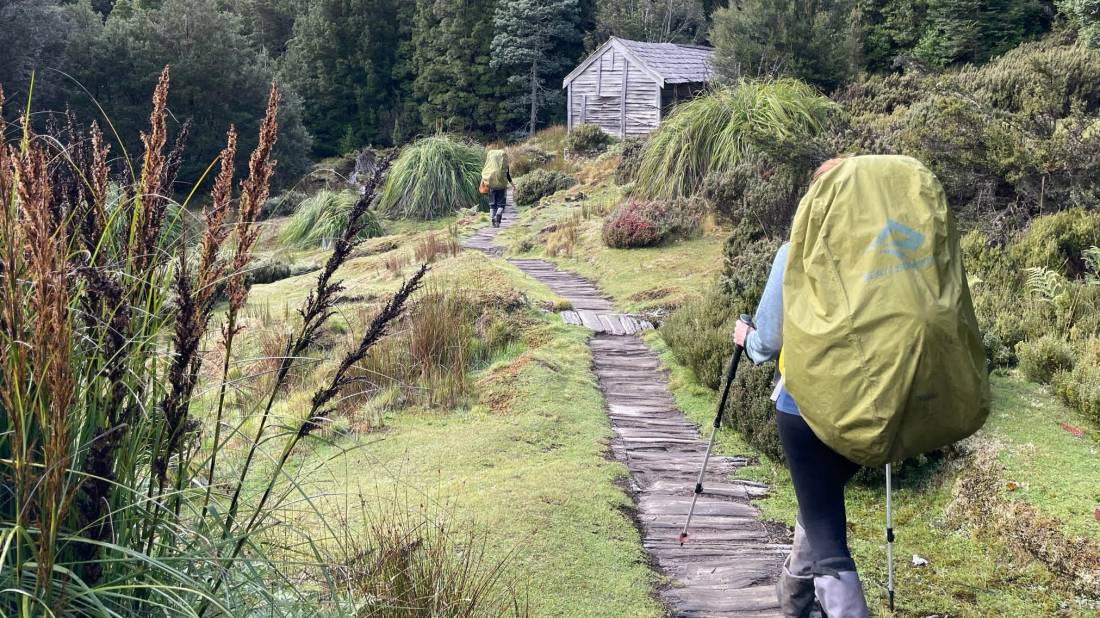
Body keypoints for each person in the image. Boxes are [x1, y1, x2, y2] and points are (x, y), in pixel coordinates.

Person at [733, 158, 871, 618]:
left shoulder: (794, 253)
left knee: (825, 522)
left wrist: (745, 341)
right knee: (820, 502)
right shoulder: (884, 255)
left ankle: (812, 599)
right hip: (872, 403)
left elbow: (769, 340)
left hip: (805, 406)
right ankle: (795, 595)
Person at [481, 149, 514, 228]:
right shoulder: (504, 166)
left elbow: (484, 176)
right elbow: (508, 176)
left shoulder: (489, 166)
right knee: (501, 205)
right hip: (501, 187)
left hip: (491, 187)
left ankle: (493, 219)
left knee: (492, 205)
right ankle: (498, 217)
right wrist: (513, 185)